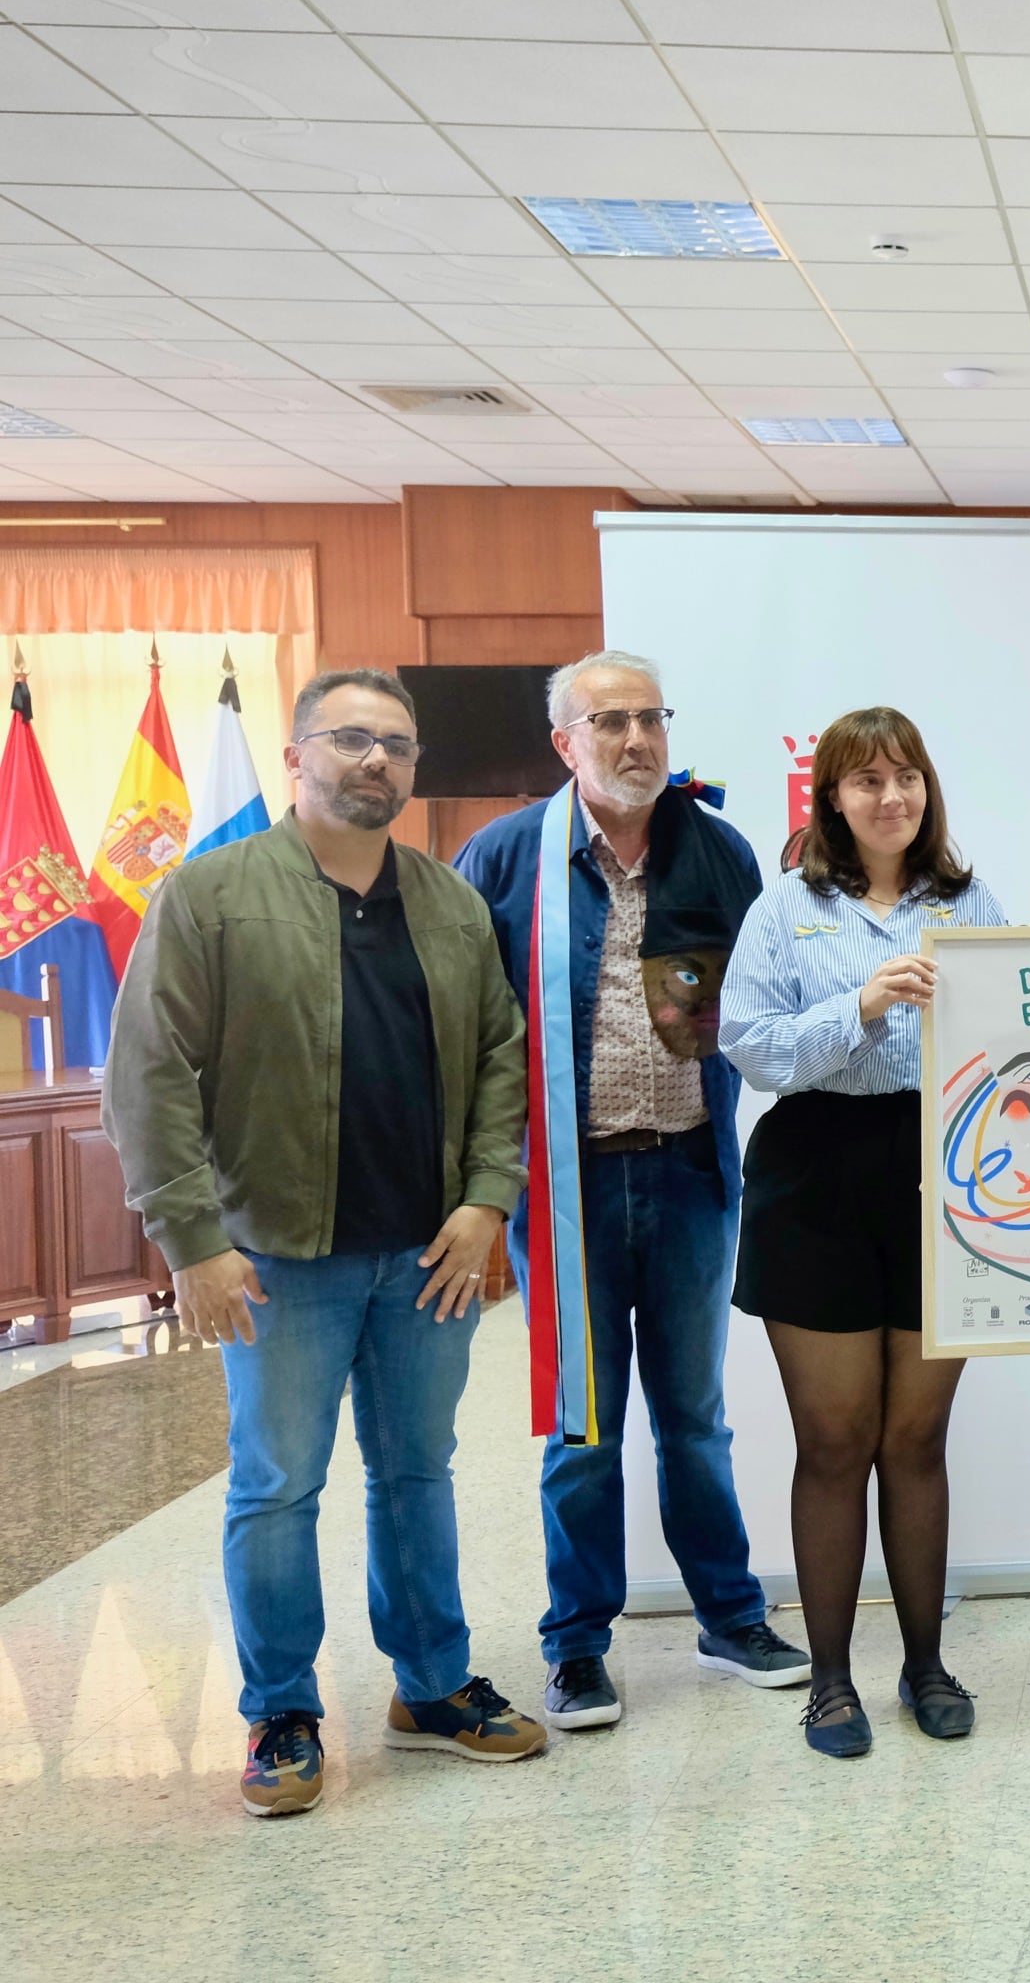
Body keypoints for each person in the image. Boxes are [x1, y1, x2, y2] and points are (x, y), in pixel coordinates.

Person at [105, 667, 540, 1817]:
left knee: (418, 1476)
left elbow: (504, 1054)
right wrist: (191, 1238)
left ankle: (433, 1686)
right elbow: (146, 1072)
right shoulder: (211, 894)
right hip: (276, 1258)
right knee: (277, 1482)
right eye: (350, 739)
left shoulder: (449, 904)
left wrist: (487, 1197)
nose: (376, 761)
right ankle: (282, 1710)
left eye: (396, 744)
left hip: (428, 1257)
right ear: (297, 754)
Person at [457, 651, 809, 1735]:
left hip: (693, 1174)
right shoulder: (507, 856)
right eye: (609, 721)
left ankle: (729, 1616)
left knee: (695, 1420)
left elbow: (774, 997)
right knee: (583, 1428)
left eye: (651, 717)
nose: (636, 739)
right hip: (567, 1189)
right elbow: (466, 1025)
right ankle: (576, 1646)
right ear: (564, 742)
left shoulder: (716, 849)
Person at [720, 707, 1008, 1757]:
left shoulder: (972, 901)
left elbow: (1015, 1029)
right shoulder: (784, 907)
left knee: (917, 1438)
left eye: (907, 779)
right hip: (815, 1176)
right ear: (832, 797)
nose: (891, 797)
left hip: (944, 1170)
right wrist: (866, 1003)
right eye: (867, 781)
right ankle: (830, 1679)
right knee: (836, 1442)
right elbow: (751, 1048)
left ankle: (926, 1663)